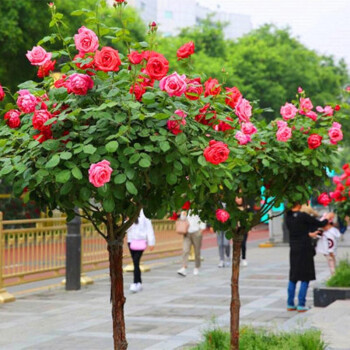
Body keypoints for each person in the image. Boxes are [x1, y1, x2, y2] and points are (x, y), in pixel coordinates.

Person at [285, 202, 333, 312]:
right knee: (305, 276)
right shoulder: (303, 216)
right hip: (305, 249)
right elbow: (320, 223)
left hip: (293, 248)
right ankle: (301, 304)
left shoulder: (288, 216)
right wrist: (328, 217)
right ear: (299, 204)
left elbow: (297, 232)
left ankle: (290, 304)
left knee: (293, 276)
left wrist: (309, 234)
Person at [127, 209, 155, 293]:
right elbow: (125, 229)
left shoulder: (145, 213)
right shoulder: (129, 212)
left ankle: (136, 282)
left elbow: (149, 228)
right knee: (136, 263)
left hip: (141, 241)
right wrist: (127, 221)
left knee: (136, 262)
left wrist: (151, 242)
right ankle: (138, 283)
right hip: (131, 241)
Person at [177, 211, 206, 276]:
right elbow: (182, 219)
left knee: (197, 251)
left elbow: (203, 218)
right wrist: (183, 214)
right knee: (185, 250)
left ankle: (196, 267)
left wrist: (202, 229)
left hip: (197, 232)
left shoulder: (198, 208)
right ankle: (184, 267)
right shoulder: (186, 208)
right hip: (187, 232)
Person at [235, 196, 248, 266]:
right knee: (236, 244)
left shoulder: (246, 207)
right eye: (237, 198)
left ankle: (243, 258)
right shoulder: (233, 209)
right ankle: (237, 258)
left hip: (243, 228)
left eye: (240, 198)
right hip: (236, 228)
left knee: (243, 244)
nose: (238, 200)